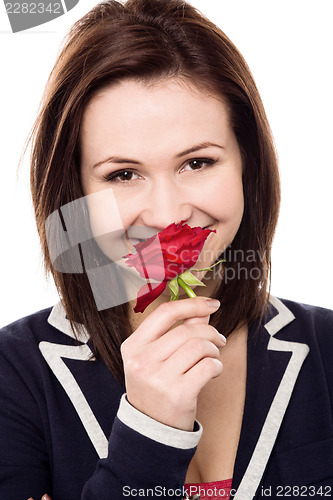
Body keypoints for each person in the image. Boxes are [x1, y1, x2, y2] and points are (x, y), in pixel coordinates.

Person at [0, 0, 332, 499]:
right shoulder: (13, 374)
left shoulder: (326, 348)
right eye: (122, 175)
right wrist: (149, 433)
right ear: (77, 196)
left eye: (197, 163)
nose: (166, 214)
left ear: (247, 164)